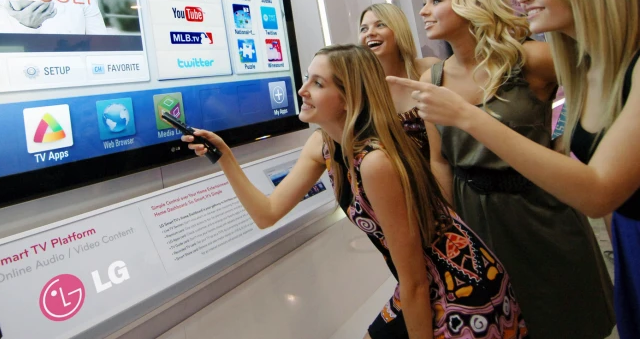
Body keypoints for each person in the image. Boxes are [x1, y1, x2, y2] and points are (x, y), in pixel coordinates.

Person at [389, 0, 639, 338]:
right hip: (481, 214)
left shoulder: (542, 59)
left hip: (544, 211)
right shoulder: (436, 78)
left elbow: (599, 190)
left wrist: (471, 117)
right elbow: (440, 161)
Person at [183, 44, 528, 339]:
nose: (302, 90)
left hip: (462, 291)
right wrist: (225, 156)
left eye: (317, 83)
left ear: (349, 98)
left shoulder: (376, 162)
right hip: (423, 285)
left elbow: (416, 280)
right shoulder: (323, 145)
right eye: (307, 78)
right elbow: (267, 213)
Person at [359, 3, 438, 155]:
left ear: (398, 30)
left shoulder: (429, 68)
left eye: (380, 25)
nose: (370, 33)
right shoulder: (361, 89)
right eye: (364, 29)